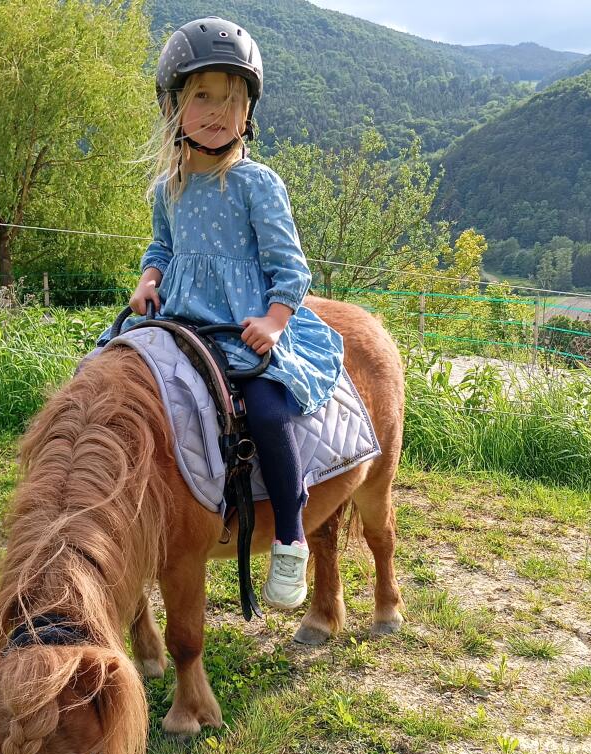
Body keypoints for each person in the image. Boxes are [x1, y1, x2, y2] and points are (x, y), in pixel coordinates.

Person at [125, 16, 344, 610]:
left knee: (269, 413)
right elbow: (161, 249)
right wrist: (148, 280)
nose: (218, 110)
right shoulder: (166, 187)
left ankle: (292, 538)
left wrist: (274, 321)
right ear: (174, 107)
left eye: (232, 97)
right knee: (107, 379)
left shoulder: (255, 184)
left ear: (249, 111)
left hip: (243, 327)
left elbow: (289, 266)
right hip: (179, 325)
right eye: (202, 95)